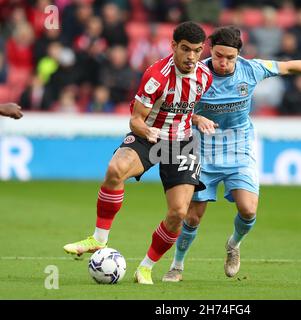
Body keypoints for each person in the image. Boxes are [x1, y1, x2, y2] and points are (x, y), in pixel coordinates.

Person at [162, 26, 301, 282]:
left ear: (239, 54)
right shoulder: (195, 73)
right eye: (219, 55)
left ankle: (233, 245)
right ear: (210, 51)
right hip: (201, 150)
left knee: (248, 210)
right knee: (193, 216)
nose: (223, 62)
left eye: (230, 57)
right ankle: (177, 265)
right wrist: (197, 118)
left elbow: (288, 67)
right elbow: (177, 109)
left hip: (238, 148)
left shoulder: (251, 69)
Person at [63, 21, 213, 285]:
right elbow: (135, 120)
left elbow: (187, 106)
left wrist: (197, 118)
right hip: (149, 136)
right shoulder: (156, 76)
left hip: (182, 143)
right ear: (174, 46)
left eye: (198, 51)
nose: (191, 57)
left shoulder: (204, 76)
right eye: (186, 49)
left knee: (179, 213)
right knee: (115, 170)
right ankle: (98, 238)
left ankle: (145, 267)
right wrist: (148, 132)